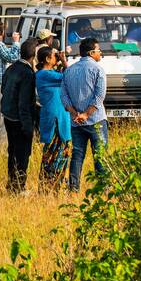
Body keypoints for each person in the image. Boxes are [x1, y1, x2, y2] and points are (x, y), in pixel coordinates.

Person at [61, 37, 107, 193]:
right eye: (99, 50)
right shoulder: (98, 69)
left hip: (76, 122)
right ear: (91, 52)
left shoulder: (69, 70)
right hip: (96, 120)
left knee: (77, 156)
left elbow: (64, 96)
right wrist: (86, 114)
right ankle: (103, 190)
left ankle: (74, 189)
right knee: (100, 156)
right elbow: (99, 96)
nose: (101, 53)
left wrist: (75, 113)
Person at [0, 38, 40, 194]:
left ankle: (11, 184)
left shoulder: (12, 68)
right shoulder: (28, 73)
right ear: (33, 56)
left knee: (13, 152)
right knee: (23, 154)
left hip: (8, 115)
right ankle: (19, 187)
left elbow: (4, 88)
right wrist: (28, 127)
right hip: (19, 118)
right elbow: (24, 103)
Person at [34, 45, 71, 188]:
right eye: (55, 55)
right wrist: (64, 60)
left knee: (62, 153)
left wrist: (60, 63)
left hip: (61, 117)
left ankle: (57, 185)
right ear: (47, 59)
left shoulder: (50, 73)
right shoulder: (43, 74)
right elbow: (68, 77)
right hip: (54, 119)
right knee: (52, 154)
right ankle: (49, 186)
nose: (57, 57)